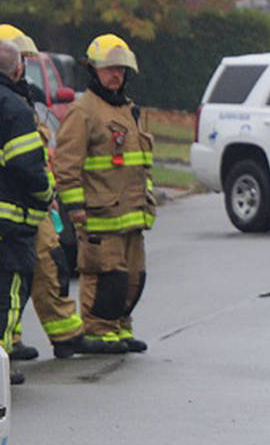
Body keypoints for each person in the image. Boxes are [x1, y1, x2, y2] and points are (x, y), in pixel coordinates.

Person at [55, 34, 154, 355]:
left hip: (132, 213)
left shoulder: (128, 110)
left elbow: (140, 165)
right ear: (94, 70)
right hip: (99, 213)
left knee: (133, 277)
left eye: (121, 70)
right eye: (110, 69)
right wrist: (76, 209)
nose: (116, 76)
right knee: (106, 275)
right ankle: (99, 331)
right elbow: (67, 163)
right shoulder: (83, 111)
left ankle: (120, 328)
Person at [0, 24, 85, 361]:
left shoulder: (21, 98)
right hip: (19, 208)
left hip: (23, 207)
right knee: (9, 285)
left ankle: (57, 334)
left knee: (41, 268)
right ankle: (7, 351)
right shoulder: (14, 106)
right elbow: (23, 163)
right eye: (23, 60)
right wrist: (45, 190)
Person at [0, 38, 53, 384]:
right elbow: (28, 168)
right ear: (18, 69)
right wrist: (48, 192)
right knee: (6, 299)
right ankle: (0, 372)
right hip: (10, 225)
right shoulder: (15, 109)